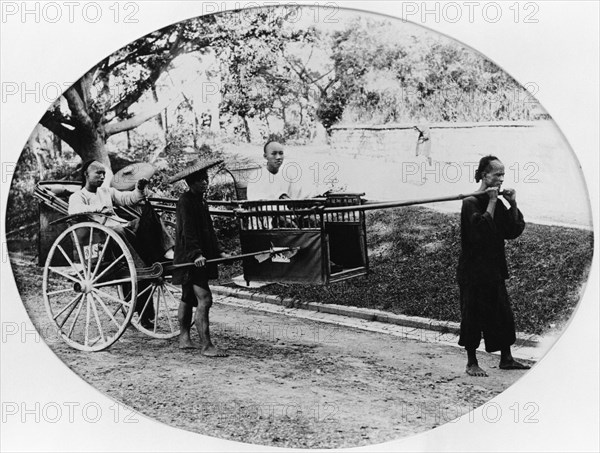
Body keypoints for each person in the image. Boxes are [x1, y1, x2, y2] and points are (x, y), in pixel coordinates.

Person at [68, 159, 173, 329]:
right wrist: (98, 209)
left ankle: (166, 250)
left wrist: (139, 189)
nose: (102, 176)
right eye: (98, 173)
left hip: (122, 230)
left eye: (103, 173)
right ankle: (140, 266)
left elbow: (128, 198)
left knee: (147, 216)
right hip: (103, 236)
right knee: (117, 229)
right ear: (86, 174)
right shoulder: (78, 196)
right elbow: (73, 211)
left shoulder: (107, 191)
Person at [457, 155, 531, 377]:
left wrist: (512, 203)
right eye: (496, 174)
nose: (501, 179)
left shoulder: (497, 203)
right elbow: (479, 232)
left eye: (503, 174)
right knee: (472, 316)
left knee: (502, 314)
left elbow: (513, 230)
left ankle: (506, 358)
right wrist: (490, 201)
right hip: (473, 272)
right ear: (483, 175)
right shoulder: (470, 202)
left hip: (494, 270)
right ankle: (472, 362)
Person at [168, 157, 229, 356]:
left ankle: (184, 338)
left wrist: (218, 251)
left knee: (187, 297)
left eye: (206, 179)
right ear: (190, 183)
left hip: (198, 256)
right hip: (190, 258)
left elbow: (208, 231)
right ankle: (207, 346)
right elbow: (187, 231)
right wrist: (196, 255)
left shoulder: (201, 201)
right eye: (200, 179)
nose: (205, 182)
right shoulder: (185, 201)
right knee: (205, 299)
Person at [246, 141, 313, 201]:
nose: (278, 157)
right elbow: (254, 199)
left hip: (287, 213)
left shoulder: (287, 175)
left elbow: (298, 194)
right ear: (265, 156)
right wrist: (279, 196)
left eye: (281, 153)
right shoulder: (256, 176)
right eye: (274, 154)